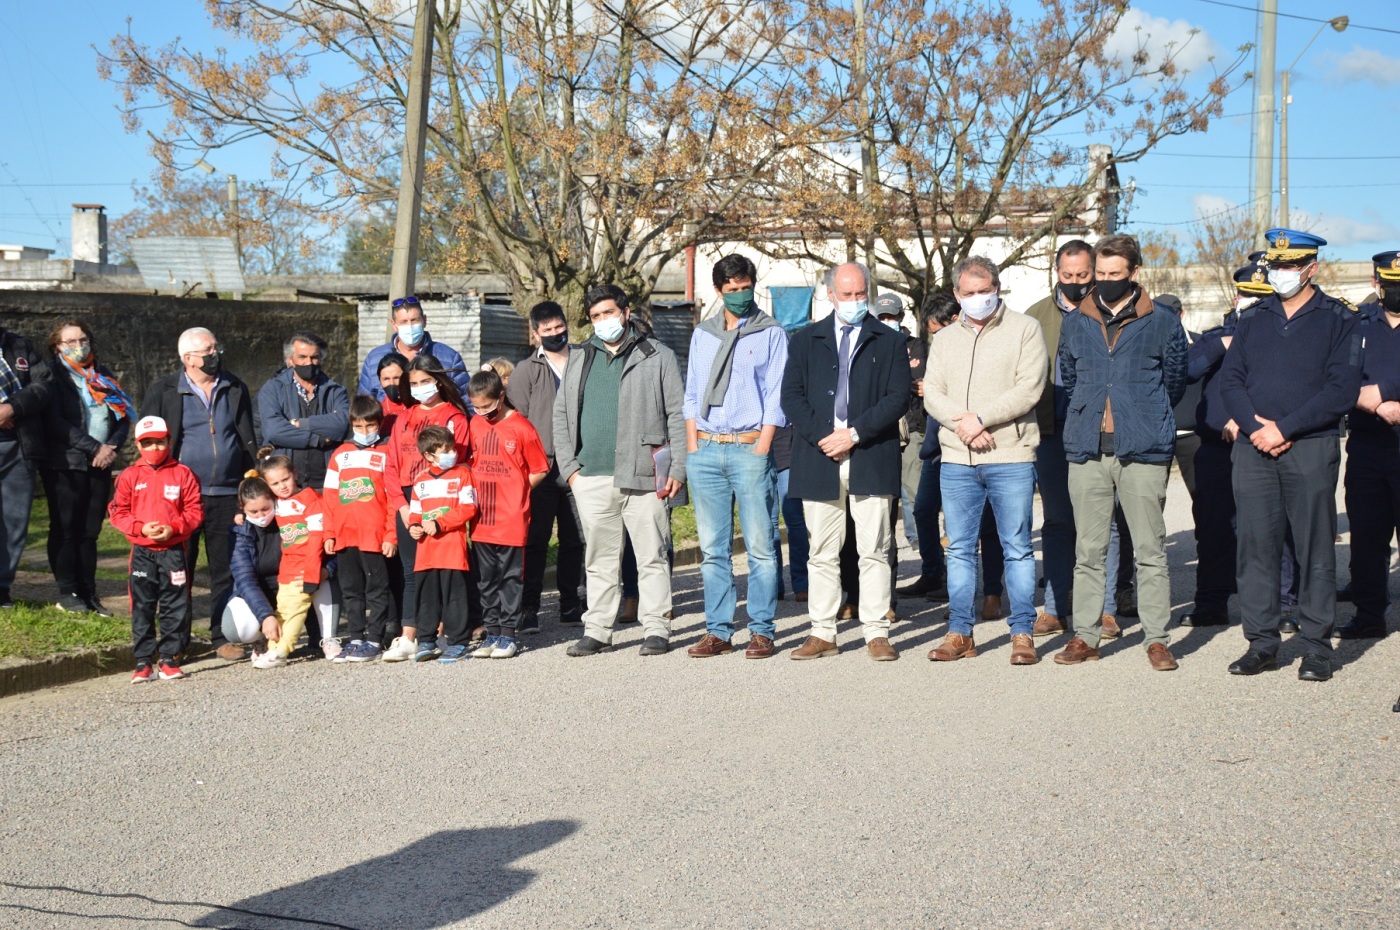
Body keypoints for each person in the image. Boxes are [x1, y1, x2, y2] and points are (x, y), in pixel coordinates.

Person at [1218, 229, 1361, 682]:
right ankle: (1261, 643)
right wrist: (1258, 428)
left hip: (1310, 446)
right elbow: (1231, 382)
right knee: (1256, 547)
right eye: (1275, 266)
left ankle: (1317, 646)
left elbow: (1342, 390)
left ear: (1311, 268)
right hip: (1254, 448)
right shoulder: (1255, 317)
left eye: (1288, 267)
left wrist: (1285, 427)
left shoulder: (1339, 318)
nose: (1280, 274)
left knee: (1314, 547)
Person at [1053, 234, 1186, 671]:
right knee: (1088, 551)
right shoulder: (1076, 321)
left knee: (1150, 549)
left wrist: (1140, 415)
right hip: (1088, 449)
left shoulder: (1162, 320)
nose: (1105, 282)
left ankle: (1157, 639)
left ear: (1134, 272)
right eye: (1101, 275)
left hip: (1143, 448)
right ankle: (1086, 636)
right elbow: (1070, 378)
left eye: (1115, 275)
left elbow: (1174, 379)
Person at [781, 262, 911, 661]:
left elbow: (897, 397)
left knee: (874, 547)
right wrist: (827, 437)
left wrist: (853, 434)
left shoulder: (887, 340)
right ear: (830, 295)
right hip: (819, 456)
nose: (854, 302)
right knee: (821, 550)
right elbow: (792, 397)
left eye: (860, 294)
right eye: (847, 294)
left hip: (870, 453)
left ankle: (876, 631)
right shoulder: (805, 340)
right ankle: (823, 631)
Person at [923, 256, 1047, 665]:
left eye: (984, 291)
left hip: (1010, 454)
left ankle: (1023, 633)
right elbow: (934, 393)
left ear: (997, 288)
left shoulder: (1025, 329)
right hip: (958, 459)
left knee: (1016, 547)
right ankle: (960, 632)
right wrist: (964, 426)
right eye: (969, 293)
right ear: (957, 295)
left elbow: (1030, 387)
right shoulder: (943, 340)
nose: (978, 299)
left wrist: (982, 418)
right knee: (958, 550)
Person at [555, 284, 687, 658]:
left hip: (645, 475)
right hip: (591, 476)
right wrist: (571, 470)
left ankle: (657, 628)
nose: (603, 321)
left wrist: (678, 465)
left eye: (609, 313)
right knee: (599, 559)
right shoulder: (579, 357)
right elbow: (561, 414)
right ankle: (597, 629)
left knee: (652, 555)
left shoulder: (657, 354)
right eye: (596, 316)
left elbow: (677, 413)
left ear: (626, 313)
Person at [683, 254, 789, 660]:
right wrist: (693, 444)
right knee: (713, 548)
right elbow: (692, 391)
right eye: (733, 290)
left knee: (761, 546)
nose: (741, 296)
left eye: (746, 288)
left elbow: (776, 395)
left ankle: (762, 630)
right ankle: (718, 631)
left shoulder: (770, 332)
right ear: (719, 292)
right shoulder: (703, 335)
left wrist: (762, 446)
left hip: (749, 448)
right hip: (707, 449)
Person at [139, 327, 258, 660]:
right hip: (181, 497)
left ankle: (221, 637)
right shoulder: (162, 391)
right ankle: (176, 643)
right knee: (180, 572)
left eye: (216, 347)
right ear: (188, 357)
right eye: (208, 349)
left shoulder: (234, 386)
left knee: (224, 569)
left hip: (226, 492)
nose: (215, 352)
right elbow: (148, 443)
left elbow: (246, 433)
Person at [1175, 260, 1274, 628]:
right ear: (1237, 297)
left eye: (1263, 297)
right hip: (1215, 448)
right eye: (1249, 295)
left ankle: (1279, 604)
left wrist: (1245, 419)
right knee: (1213, 529)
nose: (1255, 304)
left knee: (1267, 530)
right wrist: (1222, 344)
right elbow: (1188, 369)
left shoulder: (1280, 337)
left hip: (1259, 443)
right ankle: (1211, 603)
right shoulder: (1214, 337)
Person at [1025, 239, 1116, 637]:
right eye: (1068, 276)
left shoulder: (1110, 312)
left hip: (1097, 431)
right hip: (1051, 432)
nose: (1076, 283)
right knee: (1058, 521)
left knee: (1102, 521)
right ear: (1056, 272)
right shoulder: (1034, 317)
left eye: (1084, 276)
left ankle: (1106, 608)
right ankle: (1056, 606)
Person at [382, 355, 473, 661]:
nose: (421, 387)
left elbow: (458, 463)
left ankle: (447, 634)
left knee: (445, 569)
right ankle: (412, 636)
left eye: (426, 381)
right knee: (414, 571)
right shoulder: (403, 418)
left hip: (443, 496)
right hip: (409, 499)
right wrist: (403, 508)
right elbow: (391, 465)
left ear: (438, 380)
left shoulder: (454, 417)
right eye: (414, 383)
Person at [39, 320, 131, 615]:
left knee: (90, 532)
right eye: (70, 342)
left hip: (100, 463)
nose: (78, 346)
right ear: (57, 347)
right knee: (66, 529)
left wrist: (111, 447)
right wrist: (94, 447)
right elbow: (55, 422)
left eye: (82, 340)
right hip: (65, 462)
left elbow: (122, 415)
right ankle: (68, 593)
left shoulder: (102, 375)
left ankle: (90, 593)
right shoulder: (51, 376)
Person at [507, 301, 586, 631]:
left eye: (559, 327)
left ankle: (570, 604)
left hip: (579, 466)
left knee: (575, 539)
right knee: (536, 540)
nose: (555, 334)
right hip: (540, 469)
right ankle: (529, 608)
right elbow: (516, 421)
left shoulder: (585, 359)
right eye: (548, 329)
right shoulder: (527, 370)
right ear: (535, 333)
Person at [108, 416, 203, 683]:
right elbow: (118, 512)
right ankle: (143, 661)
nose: (154, 448)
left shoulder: (184, 473)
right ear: (138, 446)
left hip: (173, 550)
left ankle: (170, 658)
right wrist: (139, 528)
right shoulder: (129, 475)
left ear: (169, 441)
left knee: (175, 605)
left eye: (159, 442)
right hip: (142, 552)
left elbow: (195, 511)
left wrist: (174, 528)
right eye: (147, 443)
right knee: (142, 605)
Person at [1335, 250, 1400, 641]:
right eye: (1392, 287)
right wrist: (1370, 400)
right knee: (1368, 535)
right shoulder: (1355, 326)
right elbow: (1337, 376)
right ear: (1377, 285)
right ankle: (1369, 614)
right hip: (1368, 446)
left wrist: (1388, 393)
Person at [466, 369, 549, 658]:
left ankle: (509, 635)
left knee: (510, 577)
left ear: (501, 397)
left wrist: (517, 492)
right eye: (476, 407)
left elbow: (539, 469)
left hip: (511, 518)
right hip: (481, 518)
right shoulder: (474, 424)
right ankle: (491, 631)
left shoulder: (522, 427)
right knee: (486, 578)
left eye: (487, 407)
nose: (482, 412)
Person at [323, 395, 398, 663]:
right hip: (345, 536)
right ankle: (355, 638)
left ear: (379, 424)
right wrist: (329, 533)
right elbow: (329, 497)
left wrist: (391, 535)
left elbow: (393, 499)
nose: (365, 432)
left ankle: (375, 639)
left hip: (375, 537)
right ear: (351, 425)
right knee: (351, 590)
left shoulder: (386, 453)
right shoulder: (339, 455)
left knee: (376, 590)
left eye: (370, 426)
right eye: (359, 426)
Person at [250, 449, 335, 668]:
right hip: (286, 569)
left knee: (296, 611)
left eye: (285, 479)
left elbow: (316, 540)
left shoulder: (311, 500)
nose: (282, 486)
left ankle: (282, 652)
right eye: (275, 483)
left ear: (295, 474)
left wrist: (312, 572)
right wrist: (241, 514)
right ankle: (272, 648)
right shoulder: (276, 502)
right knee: (283, 610)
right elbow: (255, 506)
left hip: (305, 568)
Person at [899, 294, 959, 599]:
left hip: (961, 445)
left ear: (955, 320)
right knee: (922, 509)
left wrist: (933, 389)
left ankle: (963, 585)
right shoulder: (937, 350)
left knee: (957, 518)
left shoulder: (968, 349)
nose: (934, 338)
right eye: (931, 332)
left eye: (938, 331)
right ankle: (933, 572)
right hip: (934, 445)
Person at [407, 425, 479, 662]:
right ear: (428, 455)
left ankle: (458, 641)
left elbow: (468, 508)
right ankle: (426, 640)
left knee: (455, 597)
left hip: (452, 549)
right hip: (426, 552)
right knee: (427, 598)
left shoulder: (462, 474)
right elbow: (415, 513)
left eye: (452, 448)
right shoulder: (420, 480)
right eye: (445, 450)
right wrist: (414, 526)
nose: (452, 453)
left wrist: (440, 523)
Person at [258, 331, 349, 491]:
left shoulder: (335, 390)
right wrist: (317, 439)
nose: (309, 363)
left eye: (314, 357)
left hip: (327, 483)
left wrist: (300, 423)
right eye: (302, 357)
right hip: (286, 485)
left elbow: (342, 425)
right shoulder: (273, 389)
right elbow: (274, 431)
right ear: (290, 360)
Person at [358, 295, 470, 400]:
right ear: (394, 325)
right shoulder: (374, 359)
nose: (409, 326)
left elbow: (467, 401)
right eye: (403, 322)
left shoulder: (450, 358)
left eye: (414, 320)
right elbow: (364, 407)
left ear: (424, 321)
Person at [224, 477, 282, 658]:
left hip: (289, 587)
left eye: (265, 508)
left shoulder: (288, 518)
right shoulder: (238, 532)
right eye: (253, 511)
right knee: (239, 630)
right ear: (242, 509)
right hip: (259, 591)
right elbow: (245, 580)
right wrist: (265, 615)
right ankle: (259, 637)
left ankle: (319, 637)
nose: (261, 516)